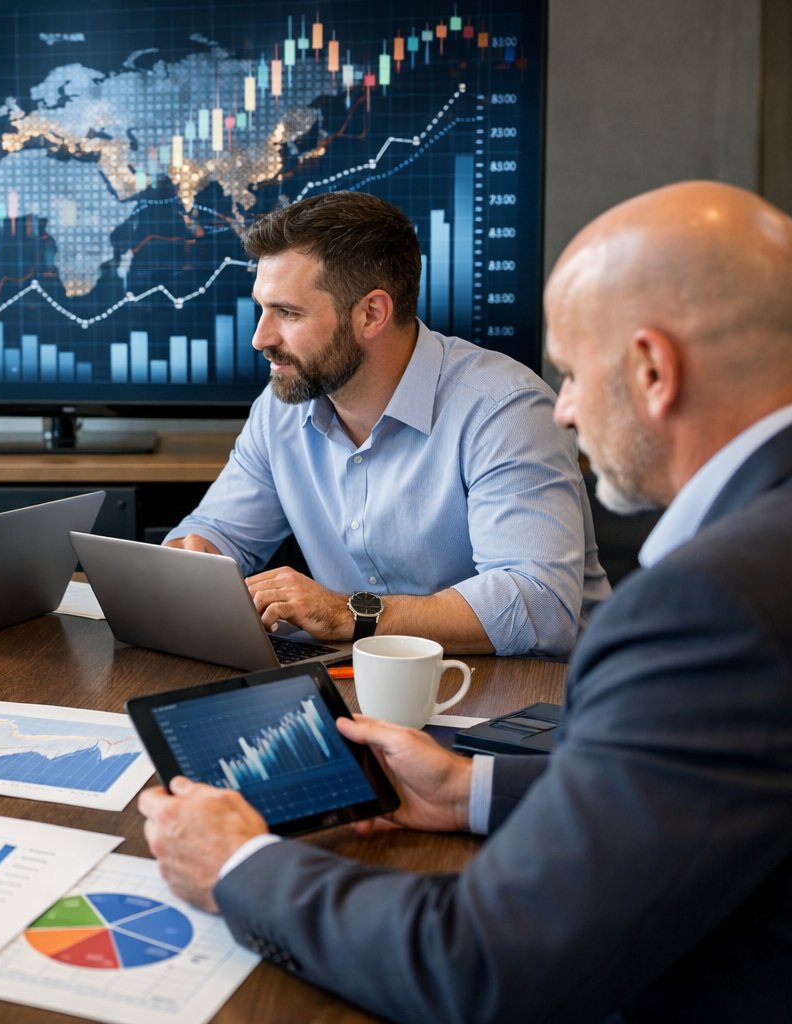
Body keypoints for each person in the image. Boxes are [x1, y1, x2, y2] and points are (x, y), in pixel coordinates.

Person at [138, 181, 792, 1021]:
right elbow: (685, 791)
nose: (564, 407)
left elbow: (485, 961)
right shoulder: (752, 556)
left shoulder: (706, 608)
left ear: (653, 370)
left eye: (573, 370)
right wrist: (465, 790)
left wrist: (239, 868)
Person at [165, 191, 608, 657]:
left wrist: (348, 614)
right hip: (362, 679)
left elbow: (538, 605)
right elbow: (216, 531)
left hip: (523, 686)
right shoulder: (281, 408)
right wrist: (194, 558)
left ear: (372, 314)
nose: (260, 338)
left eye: (288, 313)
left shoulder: (504, 409)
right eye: (262, 308)